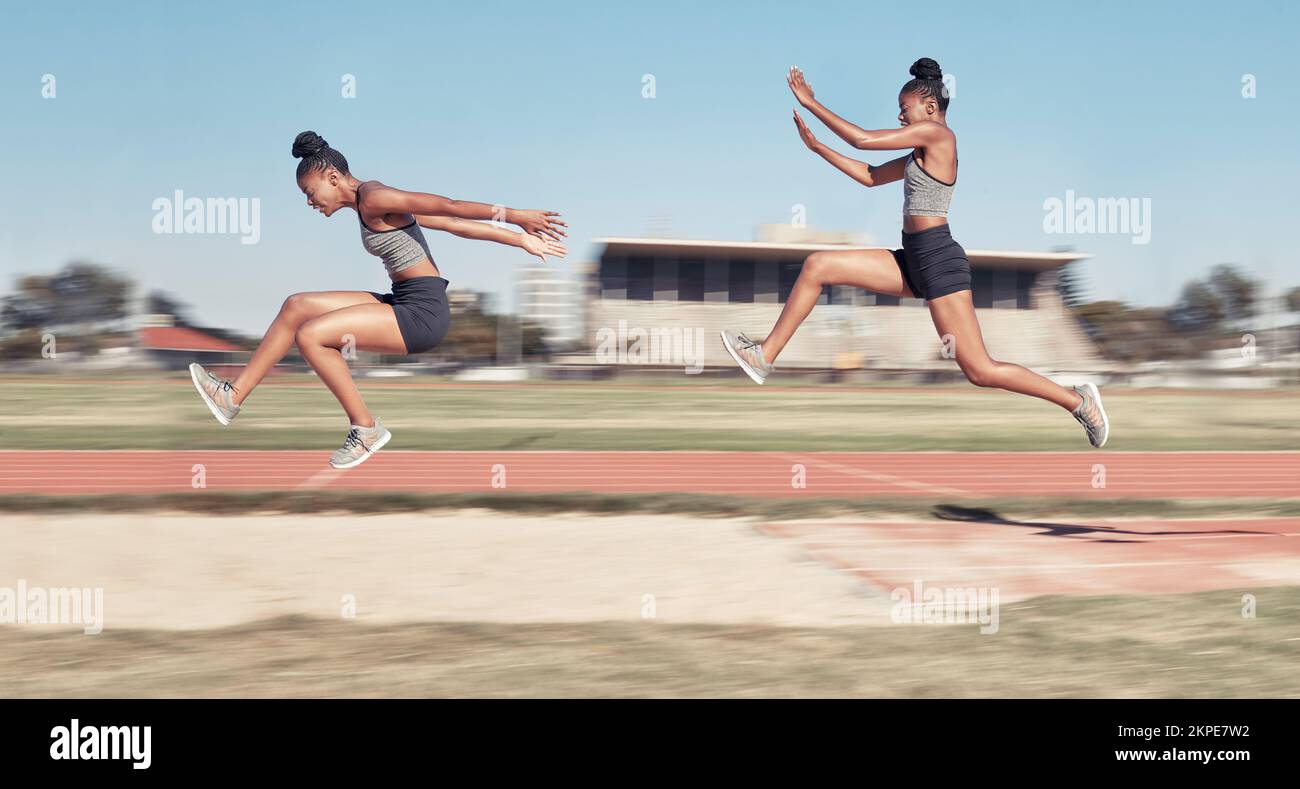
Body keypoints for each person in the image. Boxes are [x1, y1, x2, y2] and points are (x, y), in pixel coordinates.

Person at [720, 59, 1108, 448]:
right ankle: (764, 356)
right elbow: (870, 175)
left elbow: (864, 139)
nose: (899, 115)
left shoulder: (941, 137)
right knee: (818, 266)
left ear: (929, 108)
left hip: (939, 261)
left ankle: (1079, 402)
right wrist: (818, 147)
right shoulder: (917, 153)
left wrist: (811, 103)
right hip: (911, 259)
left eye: (904, 109)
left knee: (980, 369)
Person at [189, 131, 568, 468]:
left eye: (309, 193)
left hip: (422, 314)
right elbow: (452, 225)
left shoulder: (374, 196)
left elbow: (449, 206)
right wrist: (517, 239)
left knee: (311, 336)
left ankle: (365, 428)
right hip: (401, 300)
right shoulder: (366, 206)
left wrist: (516, 217)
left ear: (332, 177)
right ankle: (232, 397)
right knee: (296, 306)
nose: (309, 202)